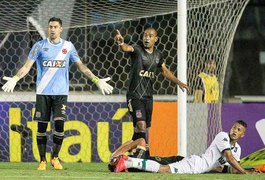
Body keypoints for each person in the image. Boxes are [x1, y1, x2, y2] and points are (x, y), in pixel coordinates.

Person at [1, 17, 113, 170]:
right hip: (43, 93)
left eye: (55, 27)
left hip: (60, 93)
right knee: (41, 127)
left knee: (59, 124)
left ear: (61, 29)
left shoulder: (68, 46)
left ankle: (55, 157)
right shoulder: (39, 46)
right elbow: (27, 66)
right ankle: (42, 161)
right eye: (50, 27)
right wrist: (15, 78)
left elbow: (81, 66)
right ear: (48, 28)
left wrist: (95, 80)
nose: (52, 29)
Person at [114, 28, 189, 143]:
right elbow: (126, 48)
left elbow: (164, 71)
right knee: (141, 125)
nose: (147, 38)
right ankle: (145, 154)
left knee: (140, 129)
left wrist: (178, 82)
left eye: (150, 36)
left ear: (156, 39)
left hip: (148, 97)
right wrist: (121, 42)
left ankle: (133, 152)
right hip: (135, 95)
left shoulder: (158, 55)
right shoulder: (138, 50)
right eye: (145, 35)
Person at [114, 120, 258, 174]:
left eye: (239, 130)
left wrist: (252, 170)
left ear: (242, 135)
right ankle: (127, 162)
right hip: (196, 164)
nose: (234, 131)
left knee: (164, 169)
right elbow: (230, 159)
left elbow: (232, 168)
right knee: (164, 170)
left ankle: (128, 161)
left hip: (199, 168)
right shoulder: (223, 136)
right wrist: (245, 172)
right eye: (234, 127)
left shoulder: (237, 149)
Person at [108, 138, 184, 172]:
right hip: (177, 162)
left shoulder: (132, 161)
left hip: (175, 161)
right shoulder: (136, 161)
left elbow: (130, 142)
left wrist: (116, 153)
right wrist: (120, 152)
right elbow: (141, 140)